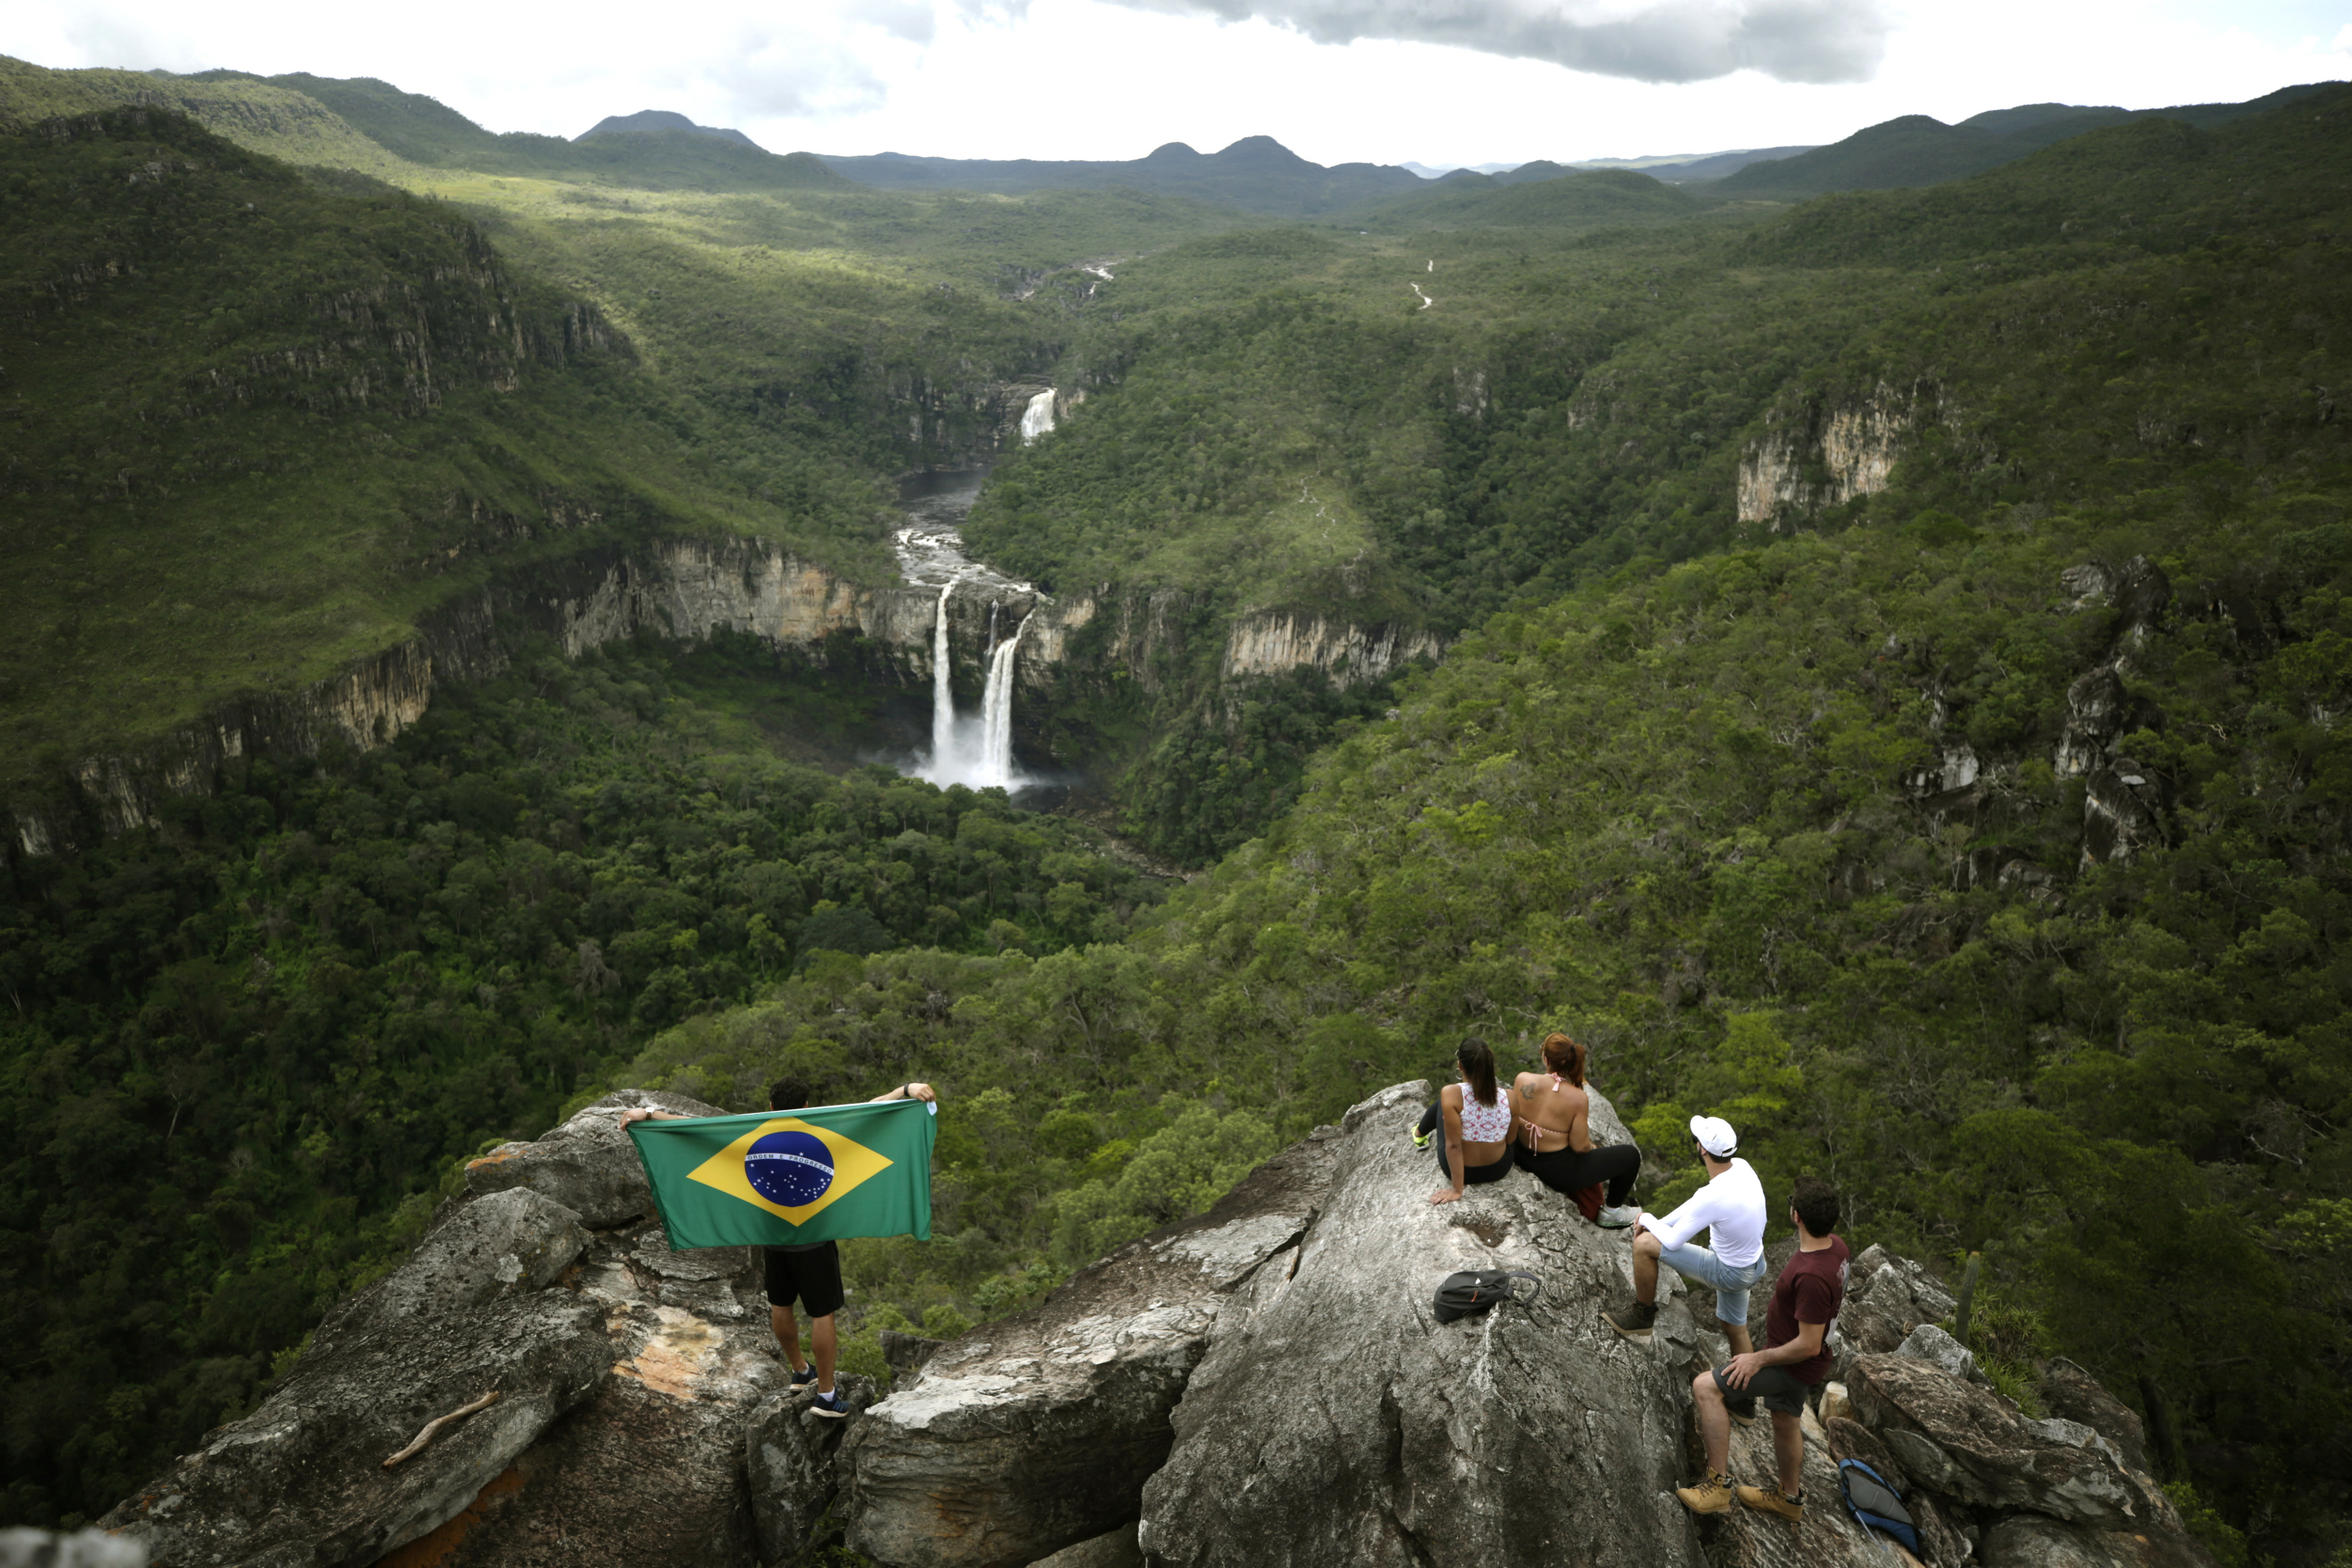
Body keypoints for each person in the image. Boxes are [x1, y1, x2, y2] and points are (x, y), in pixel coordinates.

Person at [620, 1076, 938, 1419]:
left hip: (773, 1236)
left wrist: (648, 1114)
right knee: (822, 1312)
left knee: (781, 1303)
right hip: (815, 1237)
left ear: (771, 1106)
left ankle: (801, 1370)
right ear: (804, 1106)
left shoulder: (756, 1129)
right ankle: (827, 1395)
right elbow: (873, 1109)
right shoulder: (821, 1126)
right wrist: (905, 1090)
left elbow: (698, 1126)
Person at [1674, 1175, 1850, 1521]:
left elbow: (1808, 1343)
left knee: (1706, 1387)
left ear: (1796, 1215)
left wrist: (1758, 1358)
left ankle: (1717, 1487)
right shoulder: (1837, 1248)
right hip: (1801, 1362)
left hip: (1790, 1364)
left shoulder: (1813, 1274)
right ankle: (1789, 1498)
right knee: (1785, 1419)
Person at [1602, 1114, 1767, 1353]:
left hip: (1729, 1271)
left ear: (1702, 1150)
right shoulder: (1742, 1167)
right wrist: (1661, 1222)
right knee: (1735, 1327)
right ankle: (1747, 1388)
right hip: (1755, 1264)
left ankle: (1641, 1318)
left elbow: (1673, 1239)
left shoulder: (1714, 1196)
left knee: (1645, 1244)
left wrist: (1647, 1219)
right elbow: (1695, 1204)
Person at [1510, 1033, 1641, 1226]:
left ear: (1545, 1059)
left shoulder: (1523, 1079)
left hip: (1519, 1155)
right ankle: (1612, 1212)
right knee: (1631, 1156)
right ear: (1572, 1063)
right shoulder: (1578, 1097)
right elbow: (1580, 1148)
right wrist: (1593, 1147)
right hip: (1556, 1173)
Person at [1414, 1038, 1516, 1204]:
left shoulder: (1451, 1093)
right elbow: (1511, 1140)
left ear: (1460, 1065)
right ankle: (1419, 1133)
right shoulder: (1510, 1097)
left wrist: (1457, 1190)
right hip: (1499, 1168)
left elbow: (1454, 1146)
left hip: (1463, 1172)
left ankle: (1419, 1134)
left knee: (1445, 1104)